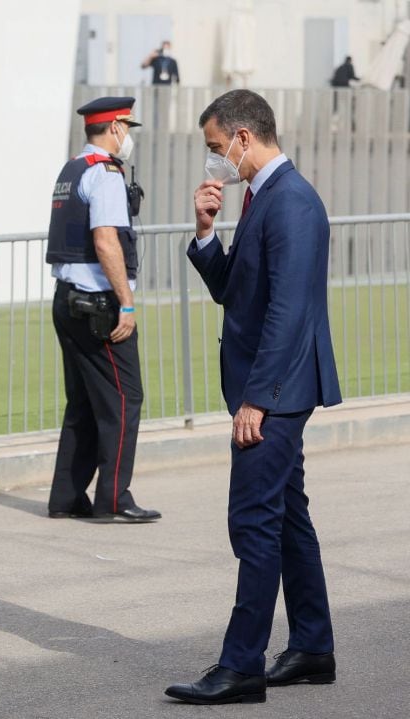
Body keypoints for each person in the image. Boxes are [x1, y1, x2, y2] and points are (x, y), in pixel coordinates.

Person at [166, 89, 341, 705]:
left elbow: (290, 313)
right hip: (271, 387)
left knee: (254, 522)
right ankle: (313, 647)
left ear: (244, 138)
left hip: (275, 391)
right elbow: (238, 294)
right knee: (288, 517)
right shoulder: (261, 196)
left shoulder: (291, 200)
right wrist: (206, 235)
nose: (215, 160)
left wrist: (257, 400)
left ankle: (241, 666)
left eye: (217, 148)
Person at [44, 97, 161, 524]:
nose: (127, 136)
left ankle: (67, 496)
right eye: (126, 128)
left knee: (83, 402)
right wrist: (125, 305)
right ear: (114, 128)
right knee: (125, 398)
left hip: (67, 299)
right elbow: (106, 241)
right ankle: (114, 498)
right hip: (98, 304)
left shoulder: (72, 169)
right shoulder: (106, 173)